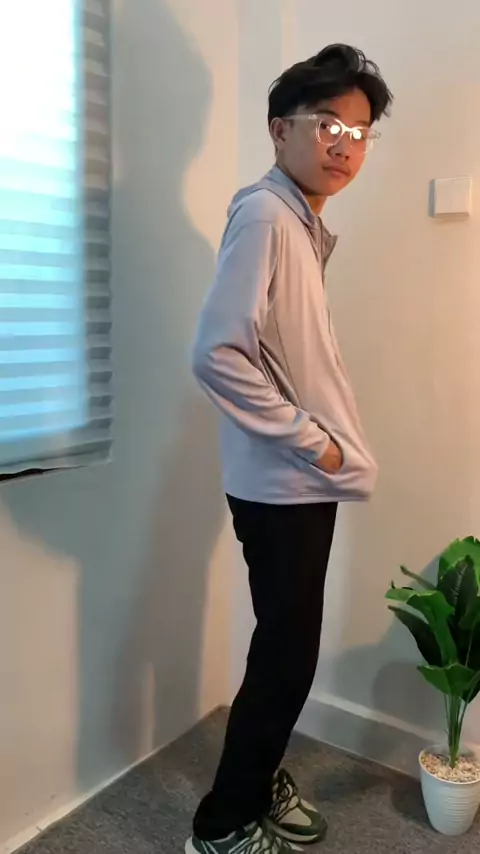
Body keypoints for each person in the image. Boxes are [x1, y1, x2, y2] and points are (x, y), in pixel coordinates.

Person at [188, 44, 393, 854]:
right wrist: (319, 445)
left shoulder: (299, 221)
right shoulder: (268, 216)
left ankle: (257, 775)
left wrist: (321, 453)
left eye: (360, 131)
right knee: (286, 657)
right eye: (328, 124)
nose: (345, 144)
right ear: (281, 130)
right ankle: (223, 825)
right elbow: (217, 354)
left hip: (294, 478)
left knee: (285, 648)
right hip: (285, 480)